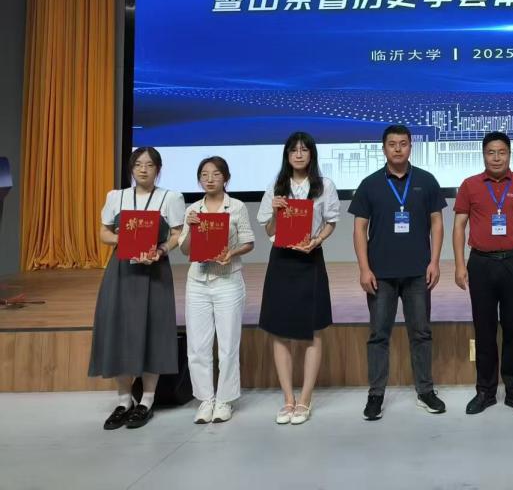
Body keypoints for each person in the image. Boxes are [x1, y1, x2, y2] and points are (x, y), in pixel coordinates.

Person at [350, 124, 447, 420]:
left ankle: (425, 391)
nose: (397, 149)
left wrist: (435, 261)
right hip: (380, 275)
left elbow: (437, 223)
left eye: (403, 143)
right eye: (392, 144)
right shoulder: (369, 184)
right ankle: (376, 395)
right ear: (383, 148)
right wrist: (364, 268)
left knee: (421, 333)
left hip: (418, 272)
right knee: (379, 335)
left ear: (410, 147)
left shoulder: (426, 180)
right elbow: (359, 228)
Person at [89, 146, 186, 430]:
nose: (143, 169)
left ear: (158, 169)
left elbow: (178, 234)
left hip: (154, 270)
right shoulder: (116, 196)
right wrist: (123, 239)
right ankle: (124, 400)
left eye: (149, 165)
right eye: (138, 164)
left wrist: (161, 250)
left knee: (153, 329)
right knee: (119, 328)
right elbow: (104, 232)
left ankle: (147, 399)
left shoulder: (171, 197)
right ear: (131, 168)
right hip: (121, 270)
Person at [453, 131, 513, 415]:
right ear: (483, 155)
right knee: (484, 330)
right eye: (491, 152)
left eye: (501, 152)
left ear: (509, 154)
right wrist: (459, 264)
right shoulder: (469, 185)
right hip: (481, 264)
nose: (496, 157)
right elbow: (459, 226)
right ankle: (485, 391)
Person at [256, 132, 339, 426]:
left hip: (310, 258)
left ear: (312, 154)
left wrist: (317, 240)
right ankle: (288, 399)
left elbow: (331, 222)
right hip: (281, 261)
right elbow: (268, 230)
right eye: (294, 150)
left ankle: (305, 398)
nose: (299, 155)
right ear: (287, 155)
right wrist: (275, 212)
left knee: (312, 329)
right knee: (280, 331)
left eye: (304, 150)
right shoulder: (276, 186)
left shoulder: (324, 185)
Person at [178, 156, 255, 424]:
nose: (209, 179)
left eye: (216, 174)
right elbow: (184, 249)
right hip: (197, 281)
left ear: (226, 178)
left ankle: (224, 400)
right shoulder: (193, 209)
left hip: (228, 281)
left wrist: (231, 253)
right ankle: (205, 399)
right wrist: (190, 227)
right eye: (204, 175)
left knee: (228, 344)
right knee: (197, 346)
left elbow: (249, 242)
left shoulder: (237, 207)